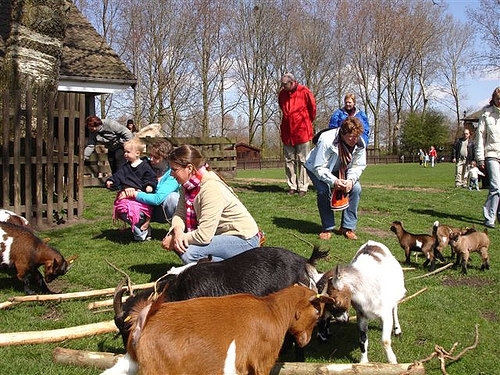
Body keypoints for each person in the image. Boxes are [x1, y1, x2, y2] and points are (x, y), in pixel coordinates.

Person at [161, 145, 261, 264]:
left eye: (174, 169)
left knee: (189, 253)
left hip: (243, 239)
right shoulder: (187, 185)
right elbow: (179, 213)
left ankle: (235, 267)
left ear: (189, 168)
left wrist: (177, 239)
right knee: (182, 246)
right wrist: (177, 231)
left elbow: (204, 235)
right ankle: (233, 266)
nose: (171, 174)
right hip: (221, 235)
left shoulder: (210, 188)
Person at [305, 117, 366, 241]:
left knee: (356, 188)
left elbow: (357, 165)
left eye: (357, 136)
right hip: (316, 167)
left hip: (340, 168)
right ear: (343, 134)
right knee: (324, 190)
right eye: (351, 137)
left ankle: (347, 227)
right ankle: (327, 228)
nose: (355, 140)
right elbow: (319, 167)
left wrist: (350, 181)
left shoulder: (360, 143)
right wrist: (334, 182)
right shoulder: (326, 140)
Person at [115, 139, 180, 241]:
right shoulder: (143, 164)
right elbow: (123, 175)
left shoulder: (173, 174)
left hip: (161, 210)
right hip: (142, 206)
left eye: (156, 157)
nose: (151, 159)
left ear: (166, 158)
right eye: (151, 155)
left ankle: (176, 230)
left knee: (173, 198)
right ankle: (142, 229)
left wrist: (134, 194)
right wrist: (125, 188)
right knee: (122, 203)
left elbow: (157, 199)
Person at [106, 138, 157, 241]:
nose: (125, 154)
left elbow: (151, 178)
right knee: (123, 209)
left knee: (135, 213)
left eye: (128, 152)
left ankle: (142, 231)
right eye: (124, 151)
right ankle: (141, 231)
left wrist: (149, 185)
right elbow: (117, 176)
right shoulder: (125, 167)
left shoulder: (145, 166)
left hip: (140, 195)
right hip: (126, 197)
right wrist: (111, 181)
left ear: (137, 153)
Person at [278, 73, 316, 197]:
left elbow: (312, 109)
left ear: (292, 82)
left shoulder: (304, 92)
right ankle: (292, 185)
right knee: (289, 160)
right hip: (287, 132)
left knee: (303, 160)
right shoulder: (282, 94)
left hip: (302, 131)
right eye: (282, 85)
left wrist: (305, 121)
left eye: (285, 84)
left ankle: (303, 186)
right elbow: (282, 108)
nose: (283, 87)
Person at [475, 87, 500, 228]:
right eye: (498, 99)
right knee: (496, 186)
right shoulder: (486, 114)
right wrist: (480, 158)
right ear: (494, 99)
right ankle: (490, 217)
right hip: (491, 153)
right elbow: (480, 137)